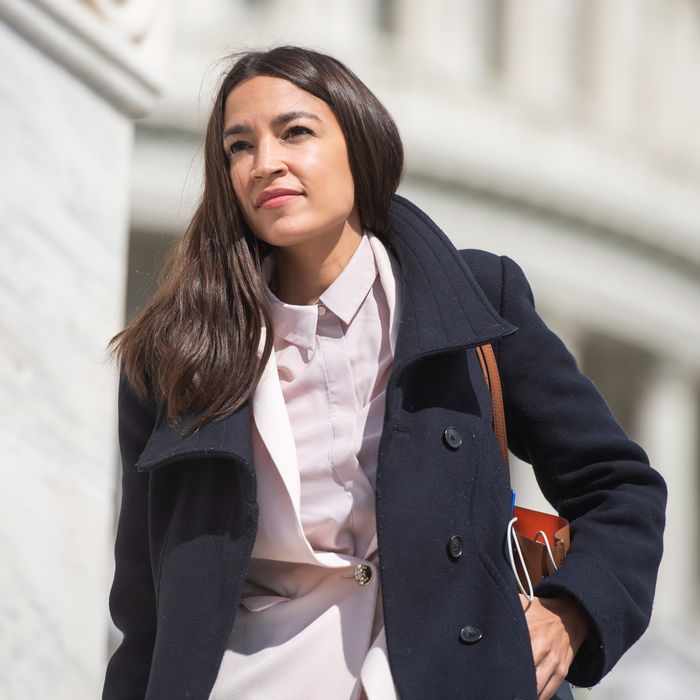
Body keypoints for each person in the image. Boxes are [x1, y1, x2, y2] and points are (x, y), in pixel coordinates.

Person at [102, 46, 667, 700]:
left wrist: (572, 614)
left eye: (296, 132)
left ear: (360, 145)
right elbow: (146, 608)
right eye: (239, 146)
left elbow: (622, 488)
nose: (265, 163)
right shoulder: (176, 355)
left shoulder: (476, 299)